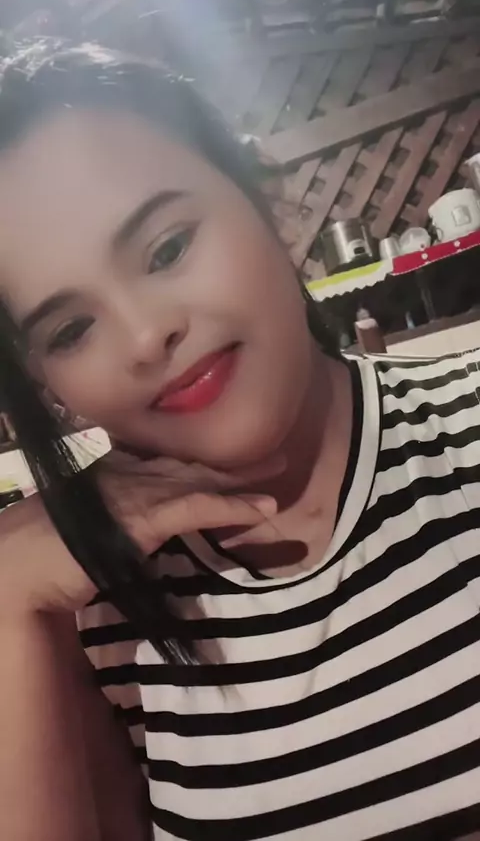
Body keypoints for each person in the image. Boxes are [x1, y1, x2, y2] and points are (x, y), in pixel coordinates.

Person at [0, 41, 479, 841]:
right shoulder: (89, 613)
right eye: (72, 329)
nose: (146, 335)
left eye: (167, 248)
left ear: (263, 196)